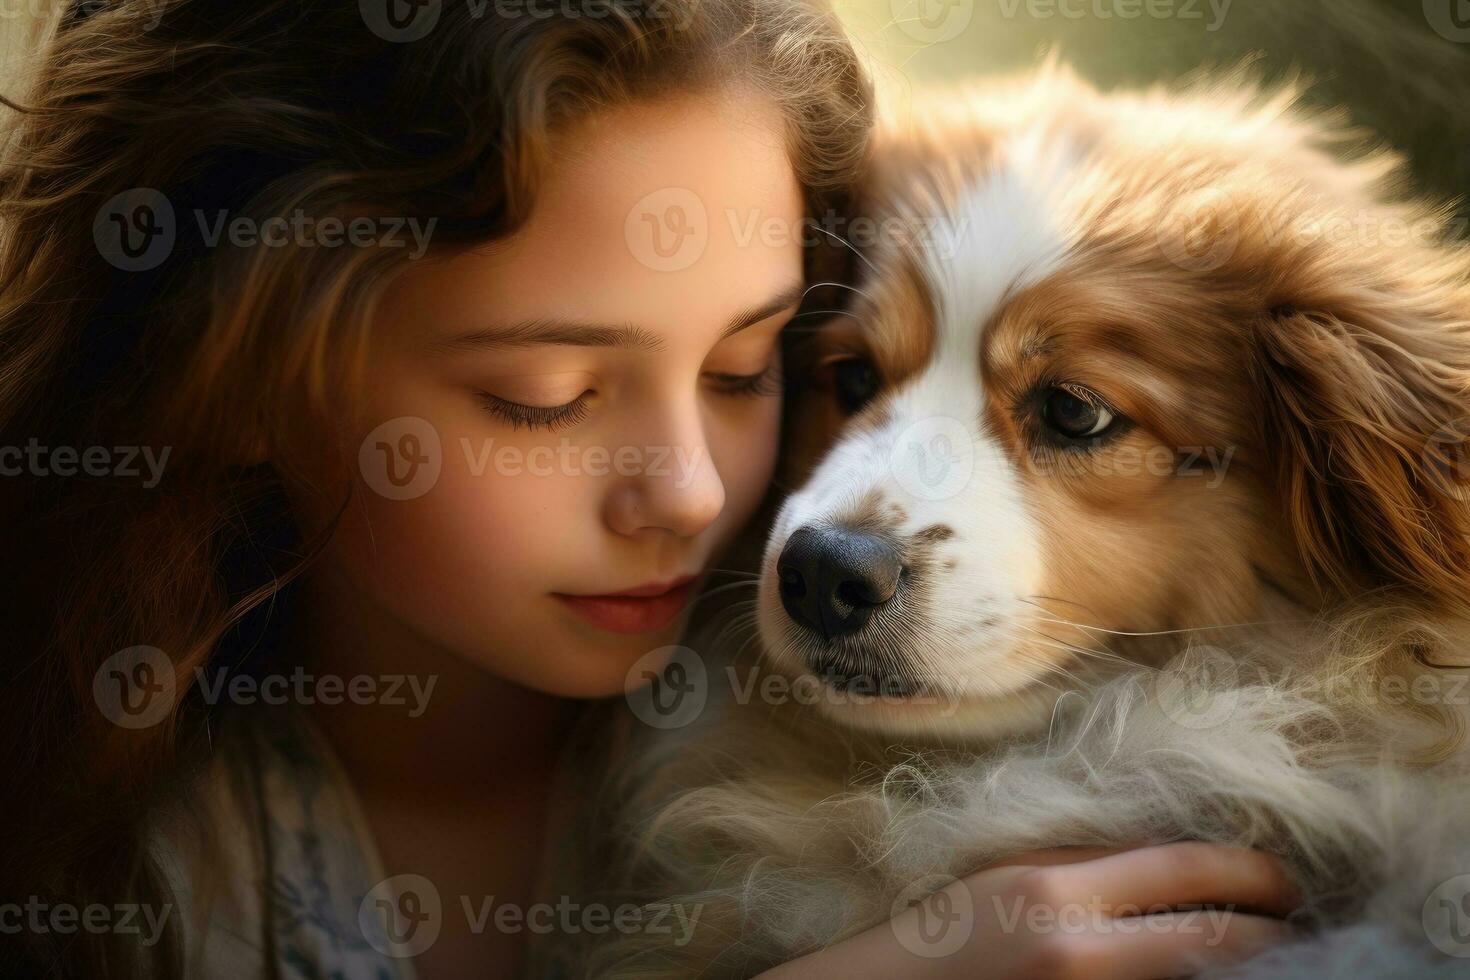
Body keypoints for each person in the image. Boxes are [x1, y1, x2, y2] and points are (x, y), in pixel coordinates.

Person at [0, 1, 1298, 977]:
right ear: (233, 378)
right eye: (546, 395)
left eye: (748, 370)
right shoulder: (116, 861)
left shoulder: (873, 751)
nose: (687, 493)